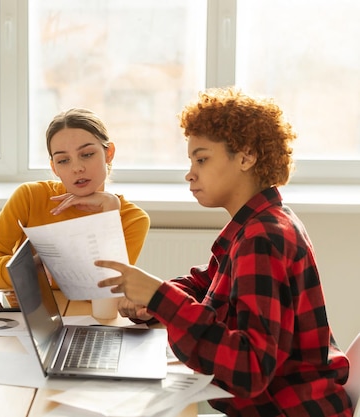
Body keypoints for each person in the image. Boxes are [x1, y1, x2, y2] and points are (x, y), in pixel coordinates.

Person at [96, 87, 352, 416]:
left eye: (202, 159)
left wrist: (161, 298)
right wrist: (153, 300)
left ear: (246, 157)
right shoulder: (261, 222)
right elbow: (209, 283)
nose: (190, 172)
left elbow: (249, 368)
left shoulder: (262, 238)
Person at [0, 108, 150, 292]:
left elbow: (105, 292)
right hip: (34, 316)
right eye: (63, 160)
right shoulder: (30, 197)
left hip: (91, 319)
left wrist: (108, 212)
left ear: (109, 153)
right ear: (54, 167)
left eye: (87, 154)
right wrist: (31, 267)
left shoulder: (132, 219)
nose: (77, 168)